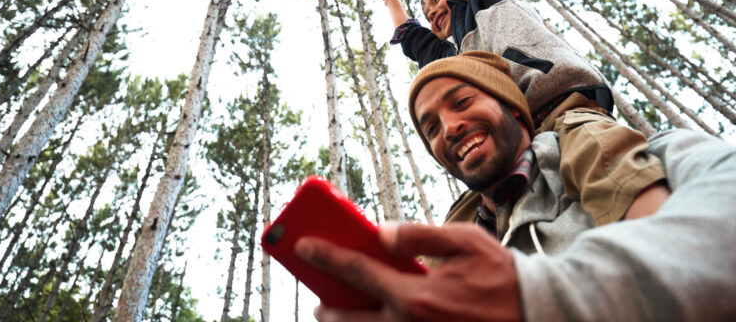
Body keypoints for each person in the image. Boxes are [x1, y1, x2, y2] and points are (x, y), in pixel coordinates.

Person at [295, 52, 736, 321]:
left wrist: (540, 298)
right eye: (430, 127)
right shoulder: (450, 255)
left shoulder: (640, 155)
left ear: (514, 108)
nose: (449, 127)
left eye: (463, 102)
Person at [379, 0, 666, 227]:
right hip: (508, 142)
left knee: (600, 155)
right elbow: (415, 42)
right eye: (427, 14)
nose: (432, 13)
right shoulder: (454, 61)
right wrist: (392, 0)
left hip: (561, 107)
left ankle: (661, 231)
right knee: (462, 221)